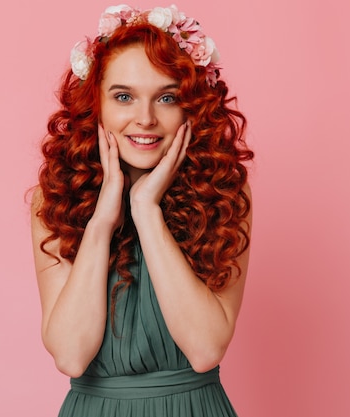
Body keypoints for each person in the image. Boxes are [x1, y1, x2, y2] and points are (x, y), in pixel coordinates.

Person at [31, 5, 253, 416]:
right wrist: (101, 224)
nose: (146, 119)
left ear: (190, 106)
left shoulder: (221, 193)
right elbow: (71, 355)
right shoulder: (59, 196)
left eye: (166, 97)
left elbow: (205, 349)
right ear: (94, 103)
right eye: (124, 97)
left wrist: (145, 209)